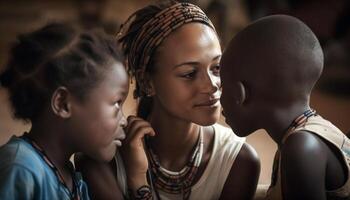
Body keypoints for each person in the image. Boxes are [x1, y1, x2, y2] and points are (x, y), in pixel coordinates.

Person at [75, 1, 260, 200]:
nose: (212, 85)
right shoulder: (103, 161)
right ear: (147, 82)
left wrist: (139, 184)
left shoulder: (237, 161)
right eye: (189, 73)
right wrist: (133, 172)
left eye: (216, 68)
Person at [220, 14, 350, 200]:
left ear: (240, 94)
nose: (217, 97)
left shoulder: (301, 148)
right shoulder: (307, 132)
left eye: (223, 86)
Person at [0, 23, 129, 200]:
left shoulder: (72, 178)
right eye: (116, 103)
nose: (124, 121)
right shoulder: (20, 168)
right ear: (63, 104)